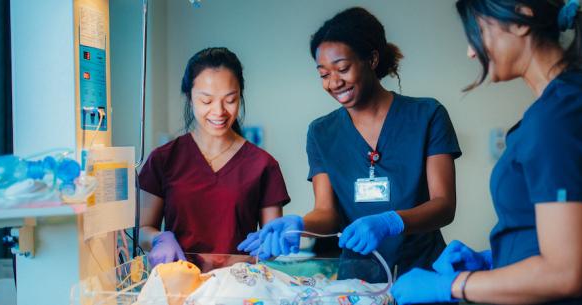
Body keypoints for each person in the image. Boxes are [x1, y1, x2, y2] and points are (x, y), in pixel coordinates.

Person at [391, 1, 582, 304]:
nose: (471, 51)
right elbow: (557, 239)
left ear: (521, 19)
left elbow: (564, 273)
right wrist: (494, 260)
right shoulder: (566, 106)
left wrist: (453, 286)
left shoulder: (563, 115)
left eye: (478, 31)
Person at [238, 7, 461, 280]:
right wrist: (299, 225)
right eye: (323, 74)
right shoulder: (322, 132)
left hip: (423, 274)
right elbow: (327, 213)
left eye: (342, 68)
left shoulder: (427, 115)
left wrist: (391, 221)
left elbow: (444, 205)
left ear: (372, 59)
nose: (334, 82)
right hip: (357, 281)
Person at [138, 47, 291, 266]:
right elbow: (143, 229)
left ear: (240, 97)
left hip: (238, 288)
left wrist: (273, 243)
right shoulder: (163, 159)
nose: (219, 111)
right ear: (189, 98)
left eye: (230, 100)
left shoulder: (263, 165)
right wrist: (158, 238)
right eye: (206, 101)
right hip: (182, 284)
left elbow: (272, 241)